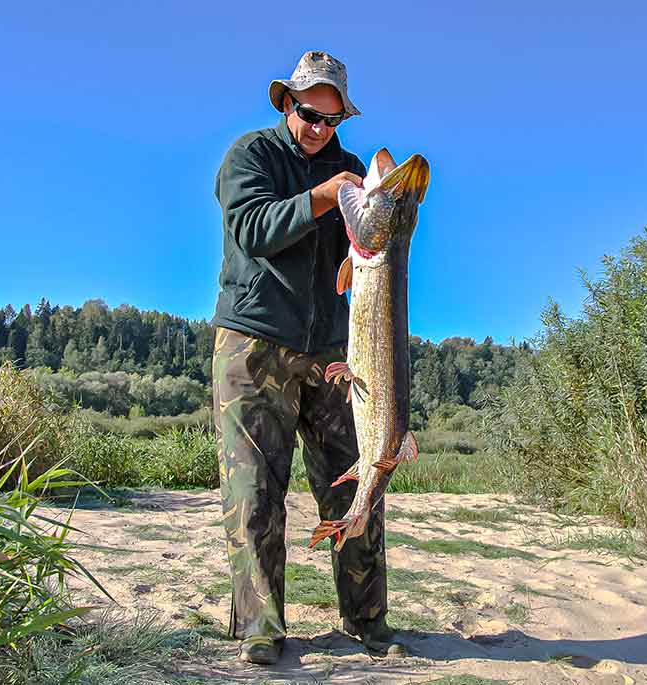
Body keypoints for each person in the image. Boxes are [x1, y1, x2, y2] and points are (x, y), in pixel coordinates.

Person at [210, 51, 405, 665]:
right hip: (253, 346)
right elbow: (253, 230)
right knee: (256, 492)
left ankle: (367, 621)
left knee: (359, 481)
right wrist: (322, 198)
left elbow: (374, 244)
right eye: (308, 113)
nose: (320, 128)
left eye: (332, 118)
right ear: (285, 104)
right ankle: (261, 629)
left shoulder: (350, 168)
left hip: (332, 356)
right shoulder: (252, 156)